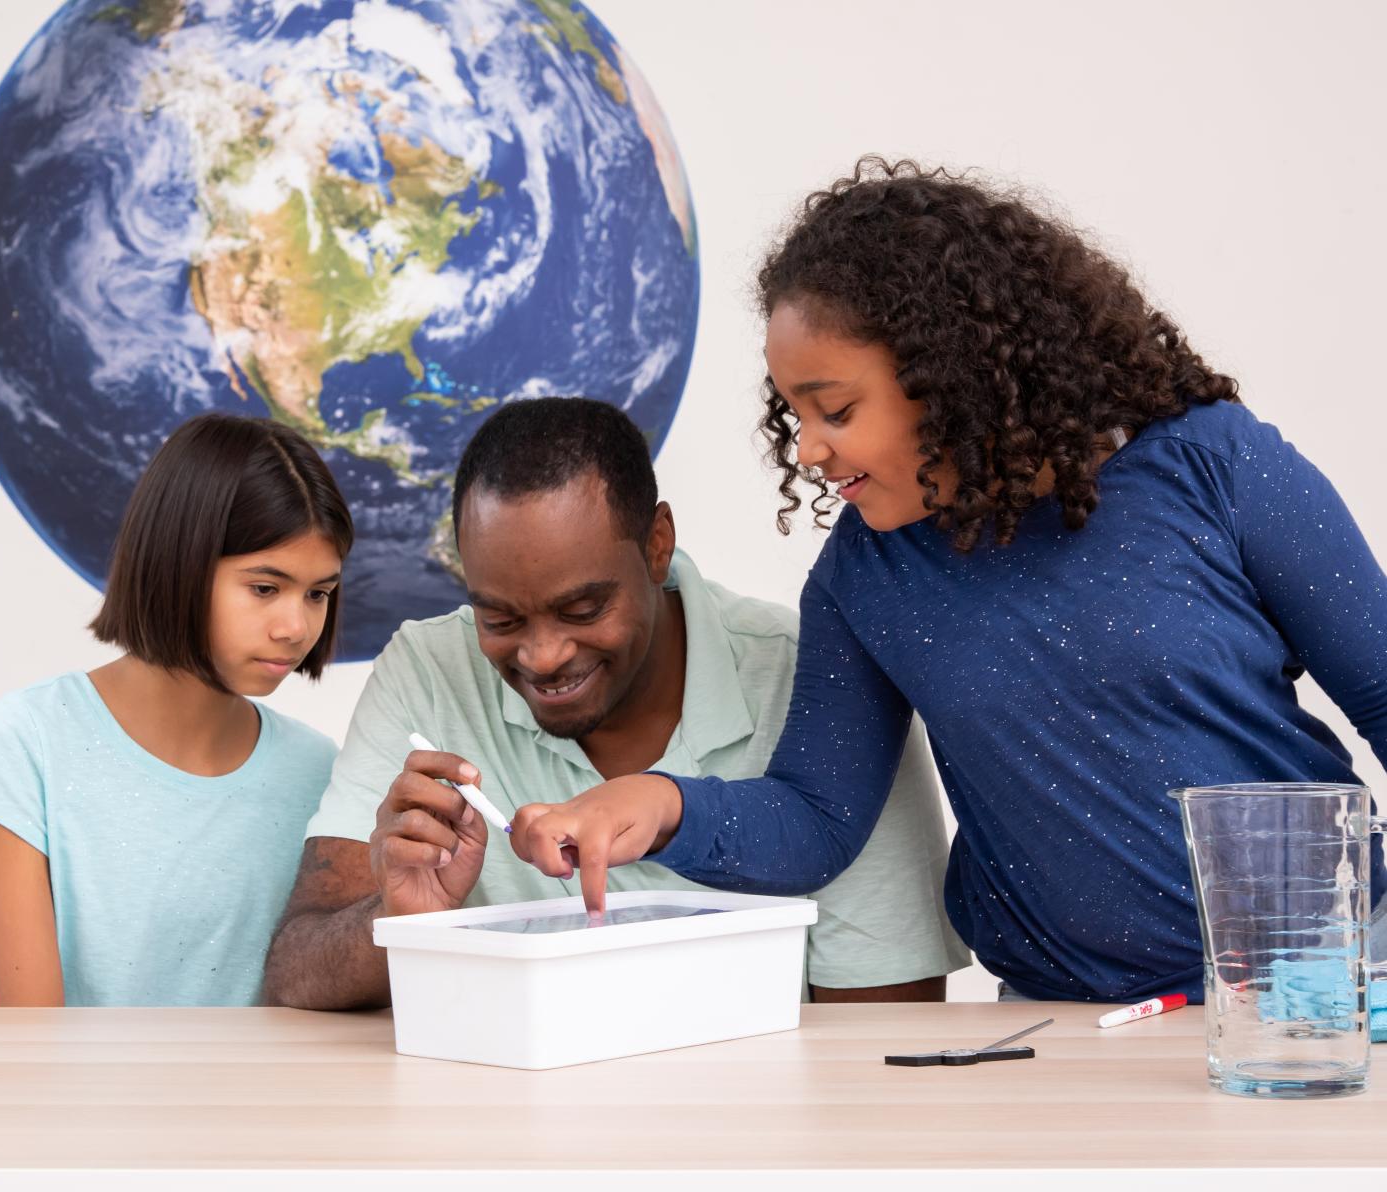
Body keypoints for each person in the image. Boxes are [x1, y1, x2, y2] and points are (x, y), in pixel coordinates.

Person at [504, 158, 1387, 1004]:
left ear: (951, 377)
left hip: (1318, 992)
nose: (807, 451)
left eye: (836, 410)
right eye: (793, 414)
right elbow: (817, 817)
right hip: (1069, 1021)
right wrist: (659, 806)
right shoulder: (864, 572)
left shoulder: (1215, 466)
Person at [262, 397, 968, 1009]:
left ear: (657, 545)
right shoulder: (429, 669)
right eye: (501, 620)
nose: (542, 656)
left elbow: (880, 1036)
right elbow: (296, 971)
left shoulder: (817, 684)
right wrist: (398, 919)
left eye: (583, 608)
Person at [0, 413, 352, 1006]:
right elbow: (26, 1038)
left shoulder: (319, 772)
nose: (296, 627)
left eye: (318, 594)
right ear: (178, 561)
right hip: (57, 1096)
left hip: (254, 1100)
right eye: (265, 588)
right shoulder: (30, 740)